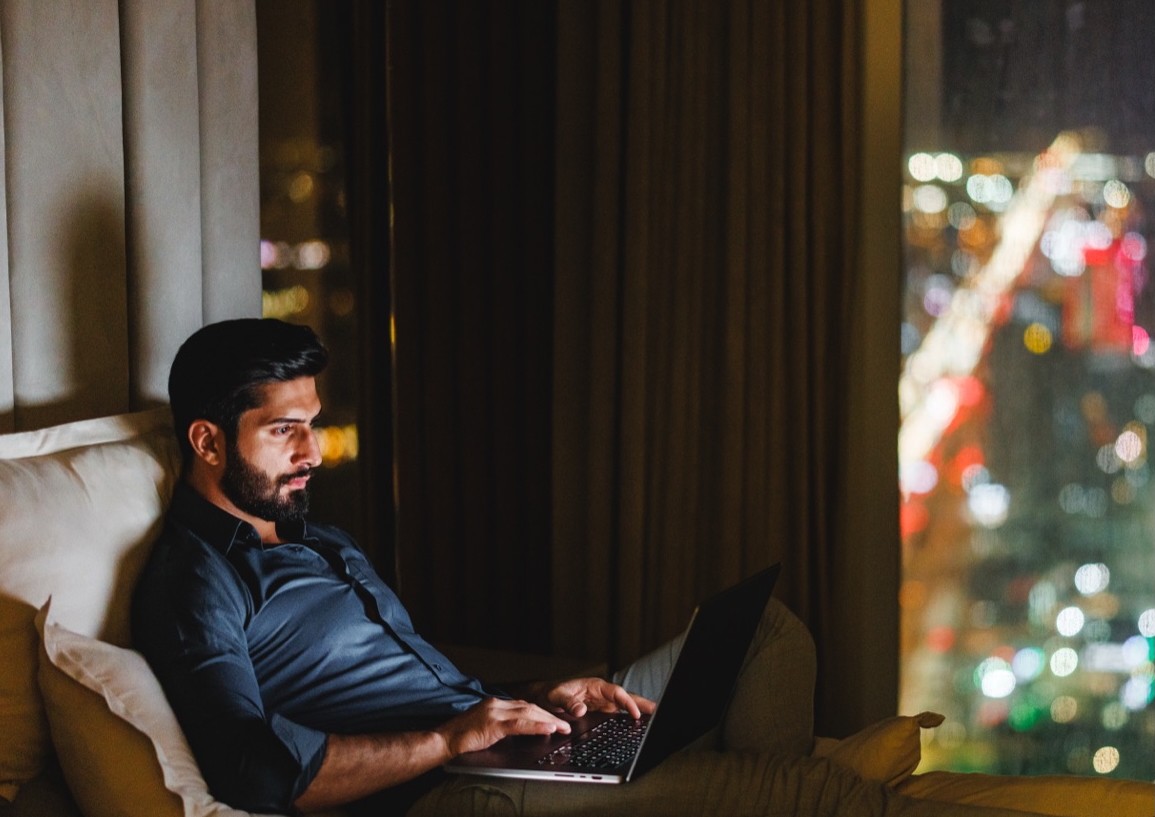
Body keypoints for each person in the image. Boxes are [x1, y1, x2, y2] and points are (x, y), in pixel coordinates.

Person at [133, 318, 1155, 817]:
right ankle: (808, 795)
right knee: (765, 791)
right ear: (209, 443)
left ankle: (718, 776)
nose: (313, 452)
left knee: (765, 626)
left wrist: (531, 697)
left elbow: (419, 680)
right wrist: (457, 736)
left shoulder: (317, 538)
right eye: (285, 433)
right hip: (447, 796)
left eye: (315, 424)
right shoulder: (196, 584)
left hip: (493, 740)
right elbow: (256, 772)